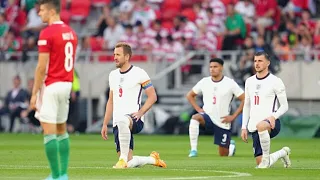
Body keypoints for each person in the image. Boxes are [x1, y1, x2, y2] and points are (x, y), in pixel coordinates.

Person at [30, 0, 78, 179]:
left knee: (49, 132)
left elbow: (41, 67)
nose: (39, 13)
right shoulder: (71, 33)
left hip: (51, 85)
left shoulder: (47, 33)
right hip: (66, 84)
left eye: (42, 10)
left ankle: (56, 175)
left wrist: (34, 93)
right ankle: (63, 174)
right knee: (61, 130)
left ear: (51, 11)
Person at [101, 42, 166, 169]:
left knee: (123, 121)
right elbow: (111, 101)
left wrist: (141, 112)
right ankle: (152, 159)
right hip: (118, 123)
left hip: (134, 119)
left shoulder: (139, 73)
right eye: (114, 54)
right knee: (129, 163)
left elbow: (153, 96)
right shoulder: (113, 75)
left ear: (127, 57)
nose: (115, 57)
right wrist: (104, 123)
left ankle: (122, 159)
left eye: (118, 54)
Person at [241, 51, 291, 169]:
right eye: (255, 61)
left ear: (268, 63)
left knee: (262, 126)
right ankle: (283, 153)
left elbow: (285, 105)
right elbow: (247, 105)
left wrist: (273, 116)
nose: (257, 64)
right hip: (254, 125)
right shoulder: (249, 81)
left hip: (271, 123)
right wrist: (244, 126)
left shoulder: (276, 81)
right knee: (260, 162)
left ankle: (265, 161)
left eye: (260, 61)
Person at [186, 58, 245, 157]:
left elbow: (245, 99)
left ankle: (231, 147)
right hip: (207, 117)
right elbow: (190, 95)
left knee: (223, 155)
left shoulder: (230, 83)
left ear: (221, 68)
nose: (212, 69)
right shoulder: (204, 81)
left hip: (222, 122)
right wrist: (198, 109)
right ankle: (193, 150)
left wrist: (233, 116)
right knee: (195, 118)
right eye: (210, 67)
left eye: (215, 67)